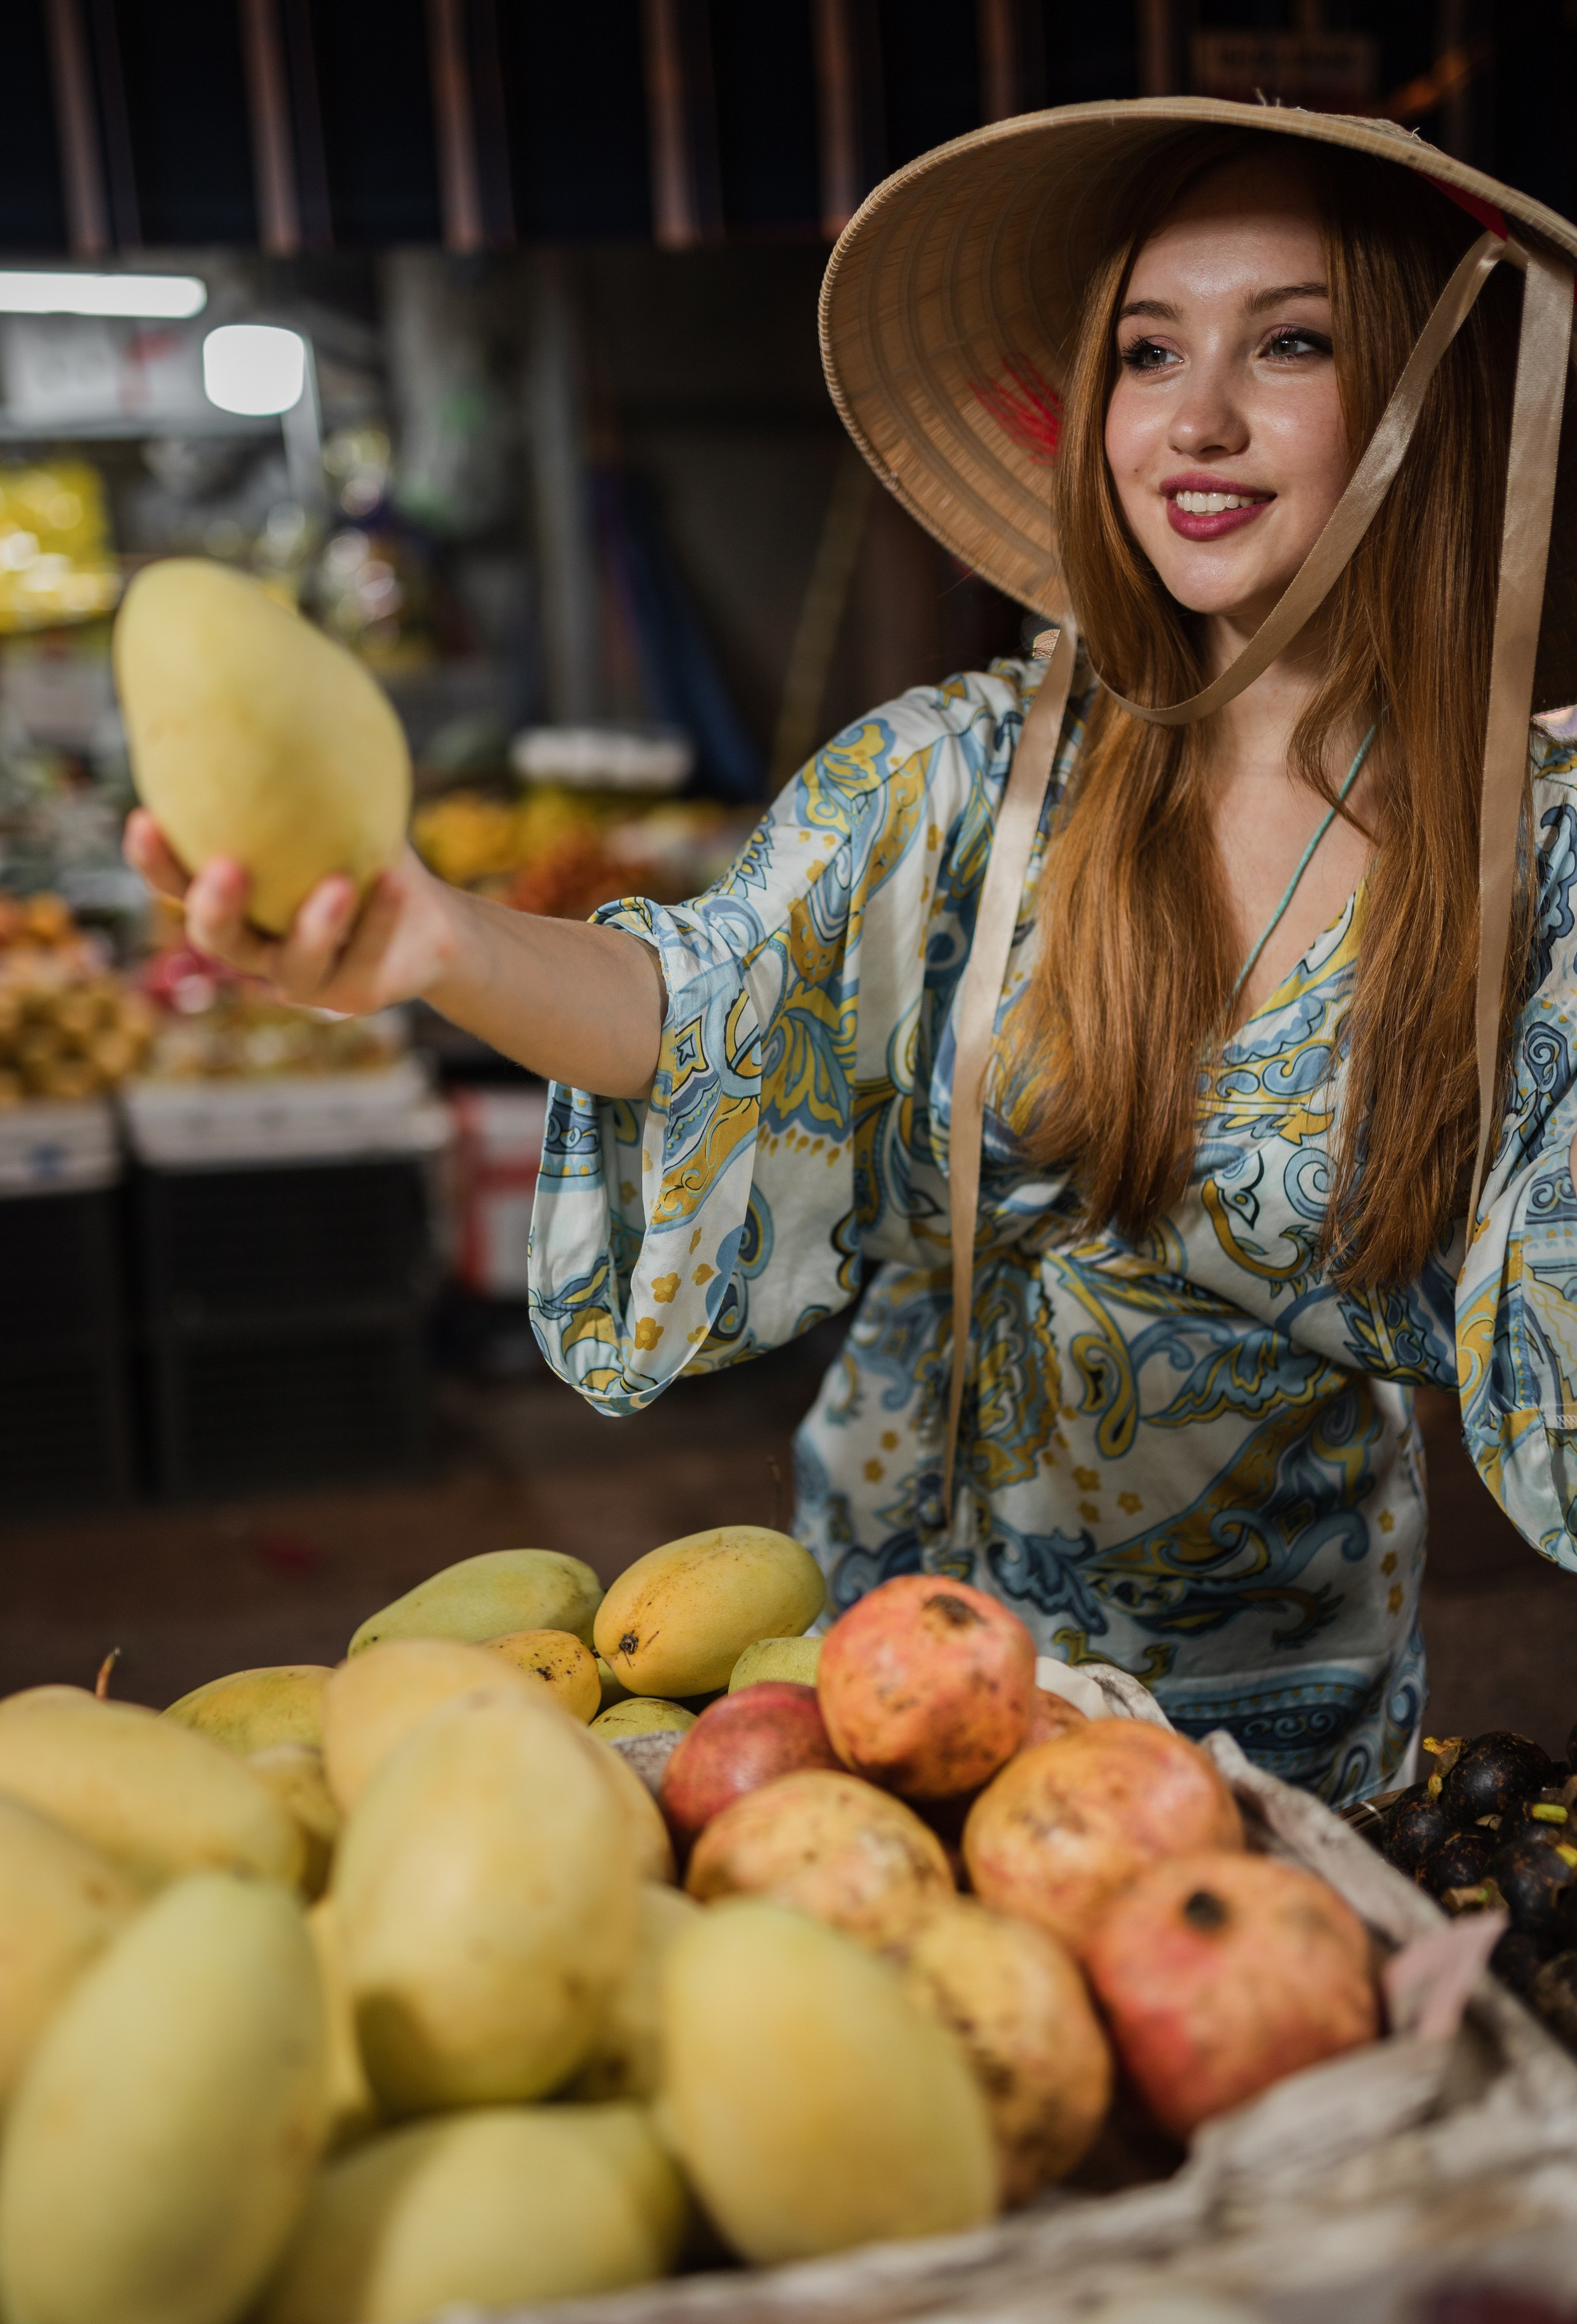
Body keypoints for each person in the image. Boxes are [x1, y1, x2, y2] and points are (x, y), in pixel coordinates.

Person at [126, 100, 1577, 1803]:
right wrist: (442, 939)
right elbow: (707, 1004)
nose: (1195, 420)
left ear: (1424, 389)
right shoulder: (977, 771)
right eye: (1146, 350)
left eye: (1293, 343)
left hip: (1291, 1729)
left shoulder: (1533, 847)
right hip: (899, 1667)